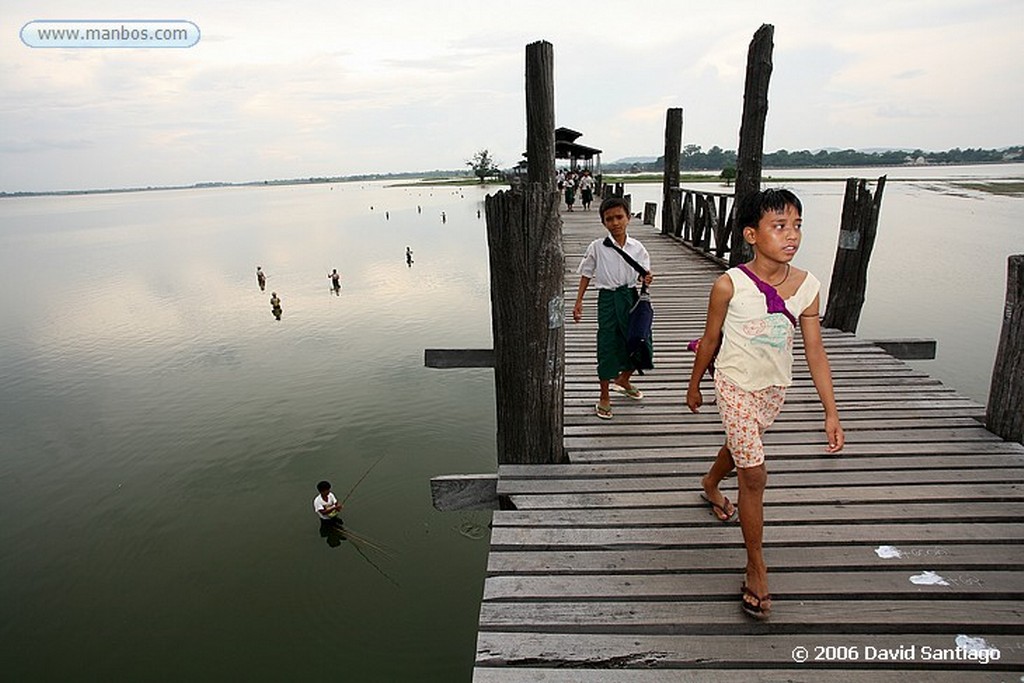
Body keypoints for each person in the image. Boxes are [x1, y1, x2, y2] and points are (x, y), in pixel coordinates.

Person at [686, 188, 844, 621]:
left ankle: (709, 483)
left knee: (742, 447)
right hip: (734, 383)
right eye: (779, 226)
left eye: (796, 225)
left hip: (774, 388)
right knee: (754, 473)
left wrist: (831, 411)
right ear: (752, 234)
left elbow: (814, 350)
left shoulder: (808, 286)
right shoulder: (728, 285)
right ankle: (756, 566)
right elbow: (710, 340)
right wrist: (695, 383)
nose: (791, 235)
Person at [572, 196, 653, 420]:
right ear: (603, 223)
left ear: (629, 218)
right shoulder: (597, 247)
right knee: (607, 344)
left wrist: (647, 279)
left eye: (619, 217)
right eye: (609, 219)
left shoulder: (638, 248)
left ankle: (624, 379)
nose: (615, 222)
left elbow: (644, 274)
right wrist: (578, 302)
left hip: (630, 296)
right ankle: (604, 396)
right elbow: (586, 273)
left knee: (641, 340)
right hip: (607, 299)